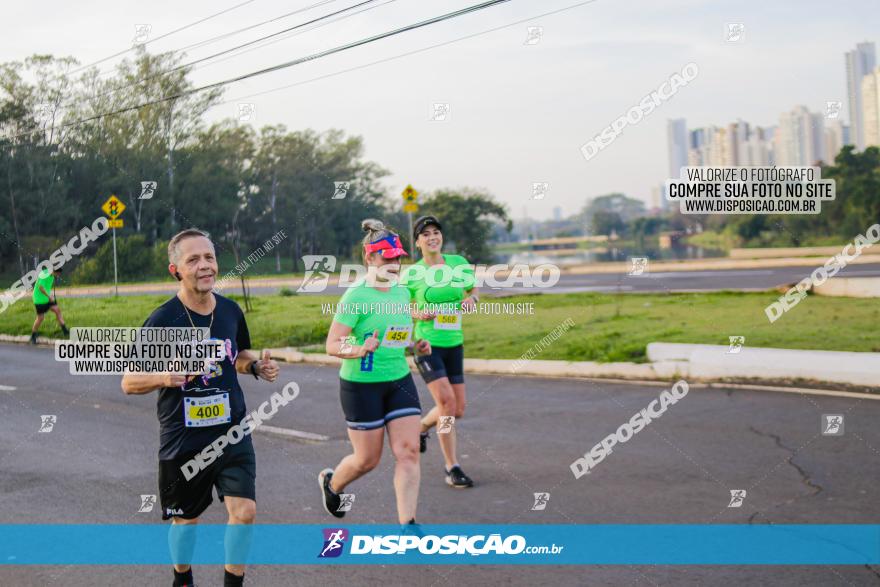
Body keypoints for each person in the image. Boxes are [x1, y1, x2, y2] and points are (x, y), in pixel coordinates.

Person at [121, 229, 279, 587]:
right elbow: (129, 382)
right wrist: (165, 377)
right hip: (185, 438)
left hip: (232, 430)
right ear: (175, 269)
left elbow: (236, 354)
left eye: (209, 257)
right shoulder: (162, 321)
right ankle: (183, 577)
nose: (205, 265)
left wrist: (256, 366)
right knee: (186, 521)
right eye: (193, 259)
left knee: (245, 511)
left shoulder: (229, 310)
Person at [320, 219, 431, 525]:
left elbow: (393, 333)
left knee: (409, 451)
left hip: (399, 379)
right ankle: (333, 484)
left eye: (399, 258)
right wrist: (357, 349)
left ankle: (408, 524)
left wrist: (415, 344)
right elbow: (331, 344)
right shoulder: (355, 296)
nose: (395, 264)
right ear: (370, 258)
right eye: (387, 257)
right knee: (367, 460)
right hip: (361, 385)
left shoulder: (401, 292)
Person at [403, 215, 478, 488]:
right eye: (426, 234)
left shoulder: (458, 263)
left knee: (457, 409)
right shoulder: (412, 273)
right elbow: (401, 305)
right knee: (446, 405)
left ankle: (422, 427)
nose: (432, 237)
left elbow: (473, 289)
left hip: (453, 343)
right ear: (418, 241)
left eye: (436, 232)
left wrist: (472, 299)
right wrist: (417, 312)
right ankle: (452, 467)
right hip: (427, 345)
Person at [30, 266, 69, 343]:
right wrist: (49, 297)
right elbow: (41, 287)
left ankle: (65, 330)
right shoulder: (44, 274)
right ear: (55, 271)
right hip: (39, 299)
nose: (58, 276)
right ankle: (33, 336)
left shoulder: (52, 276)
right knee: (40, 318)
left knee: (57, 310)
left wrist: (49, 296)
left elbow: (47, 287)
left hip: (47, 298)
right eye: (58, 274)